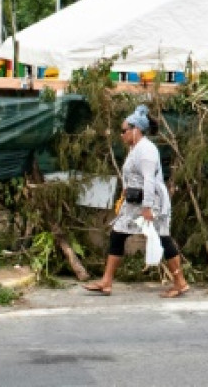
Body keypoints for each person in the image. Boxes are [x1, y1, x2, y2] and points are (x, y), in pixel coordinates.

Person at [83, 105, 189, 298]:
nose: (121, 135)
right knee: (117, 235)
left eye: (124, 131)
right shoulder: (135, 149)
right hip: (134, 202)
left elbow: (149, 180)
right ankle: (106, 282)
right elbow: (134, 175)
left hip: (150, 202)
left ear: (136, 130)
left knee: (162, 238)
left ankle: (180, 282)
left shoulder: (146, 150)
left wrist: (147, 207)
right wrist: (126, 190)